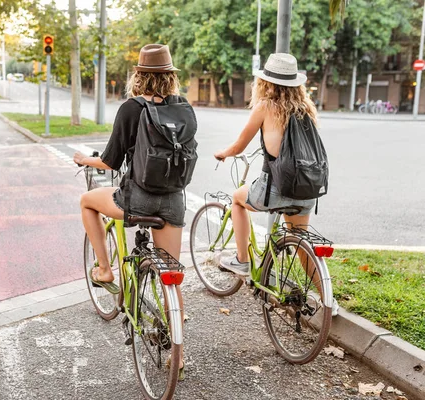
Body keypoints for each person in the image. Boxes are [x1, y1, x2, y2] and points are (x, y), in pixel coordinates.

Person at [73, 44, 188, 374]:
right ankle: (178, 355)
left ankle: (105, 270)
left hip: (135, 200)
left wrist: (84, 159)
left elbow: (110, 161)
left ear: (139, 76)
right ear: (169, 78)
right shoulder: (182, 108)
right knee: (172, 276)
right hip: (173, 201)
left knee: (87, 202)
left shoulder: (131, 108)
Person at [214, 53, 318, 276]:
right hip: (306, 187)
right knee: (301, 244)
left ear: (266, 82)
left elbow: (239, 147)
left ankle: (242, 261)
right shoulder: (307, 109)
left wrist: (223, 153)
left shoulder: (265, 106)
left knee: (237, 199)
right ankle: (328, 301)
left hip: (276, 189)